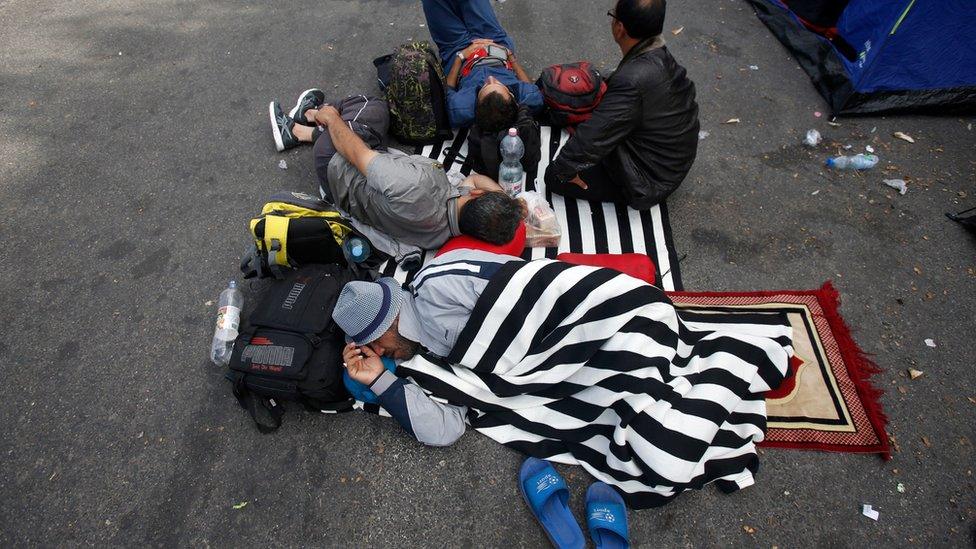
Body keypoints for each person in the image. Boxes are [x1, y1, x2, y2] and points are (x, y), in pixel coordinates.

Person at [268, 90, 524, 253]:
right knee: (368, 126)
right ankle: (303, 133)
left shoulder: (415, 185)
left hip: (337, 162)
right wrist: (507, 201)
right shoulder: (444, 234)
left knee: (371, 105)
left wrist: (331, 117)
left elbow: (356, 154)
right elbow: (475, 179)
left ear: (477, 195)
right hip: (360, 186)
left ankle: (311, 115)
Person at [332, 248, 523, 446]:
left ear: (388, 321)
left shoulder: (435, 285)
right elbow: (445, 430)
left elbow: (526, 285)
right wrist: (379, 380)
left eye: (374, 343)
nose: (379, 353)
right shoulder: (412, 364)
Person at [545, 0, 700, 209]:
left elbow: (591, 138)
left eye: (613, 15)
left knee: (553, 177)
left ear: (620, 28)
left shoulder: (631, 81)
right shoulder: (660, 56)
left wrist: (562, 171)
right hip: (671, 161)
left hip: (648, 183)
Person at [421, 0, 543, 131]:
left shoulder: (461, 108)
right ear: (513, 98)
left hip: (457, 49)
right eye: (497, 83)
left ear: (476, 105)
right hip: (494, 41)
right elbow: (530, 86)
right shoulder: (530, 98)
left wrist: (460, 57)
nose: (490, 78)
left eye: (485, 86)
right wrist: (510, 57)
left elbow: (448, 89)